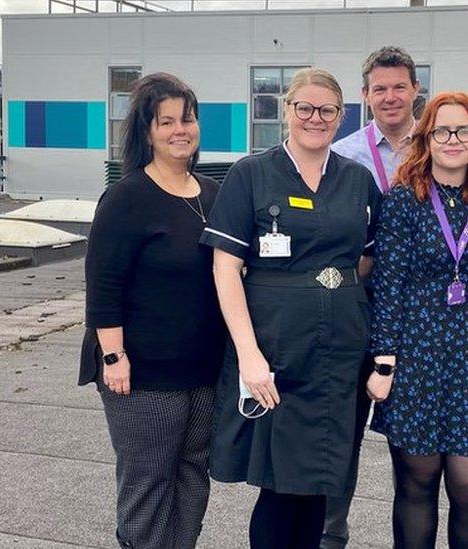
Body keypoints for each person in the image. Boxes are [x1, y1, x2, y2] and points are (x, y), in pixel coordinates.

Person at [200, 68, 380, 549]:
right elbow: (224, 269)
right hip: (276, 350)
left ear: (342, 117)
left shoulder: (358, 180)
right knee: (279, 485)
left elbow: (368, 257)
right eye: (305, 107)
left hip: (340, 353)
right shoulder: (251, 174)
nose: (315, 118)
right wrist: (249, 355)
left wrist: (334, 292)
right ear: (287, 111)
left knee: (321, 477)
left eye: (327, 110)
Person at [368, 91, 468, 549]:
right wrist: (383, 364)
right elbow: (389, 286)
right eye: (442, 130)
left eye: (463, 130)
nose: (452, 139)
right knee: (416, 490)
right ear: (427, 138)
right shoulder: (403, 201)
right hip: (417, 362)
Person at [81, 72, 225, 549]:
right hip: (142, 374)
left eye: (187, 119)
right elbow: (104, 285)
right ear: (147, 131)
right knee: (148, 481)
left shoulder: (212, 193)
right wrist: (112, 355)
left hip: (202, 371)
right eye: (167, 121)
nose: (180, 129)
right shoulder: (127, 197)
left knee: (192, 473)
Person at [323, 45, 420, 549]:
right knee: (342, 440)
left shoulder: (439, 149)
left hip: (422, 325)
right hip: (358, 318)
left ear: (415, 90)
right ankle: (330, 537)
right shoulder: (346, 157)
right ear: (364, 96)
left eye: (399, 86)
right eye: (379, 88)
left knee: (415, 451)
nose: (390, 97)